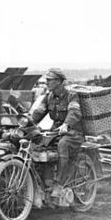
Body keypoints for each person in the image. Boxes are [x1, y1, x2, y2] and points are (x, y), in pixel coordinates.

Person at [30, 68, 83, 198]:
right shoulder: (48, 97)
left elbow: (74, 112)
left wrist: (66, 124)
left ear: (59, 81)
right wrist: (26, 123)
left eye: (49, 80)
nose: (46, 83)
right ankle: (45, 181)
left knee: (62, 145)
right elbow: (39, 113)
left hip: (73, 132)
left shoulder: (71, 95)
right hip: (56, 131)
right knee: (39, 146)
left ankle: (59, 183)